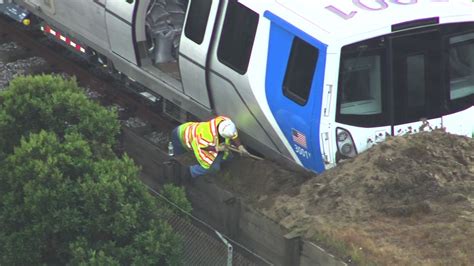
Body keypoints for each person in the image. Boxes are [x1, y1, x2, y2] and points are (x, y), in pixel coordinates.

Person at [170, 115, 249, 181]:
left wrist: (240, 146)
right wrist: (217, 148)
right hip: (181, 137)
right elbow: (201, 146)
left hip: (189, 129)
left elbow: (233, 135)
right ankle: (190, 171)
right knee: (213, 168)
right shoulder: (205, 135)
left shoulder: (225, 122)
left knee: (228, 157)